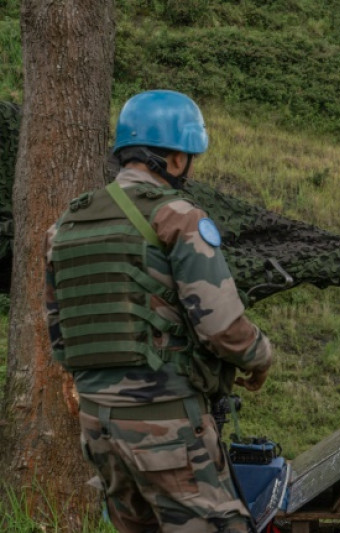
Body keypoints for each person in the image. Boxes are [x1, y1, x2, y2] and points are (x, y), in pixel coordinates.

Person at [45, 90, 273, 532]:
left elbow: (59, 336)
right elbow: (223, 328)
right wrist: (262, 356)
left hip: (99, 427)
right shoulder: (177, 216)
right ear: (171, 159)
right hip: (165, 425)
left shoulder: (64, 227)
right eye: (188, 155)